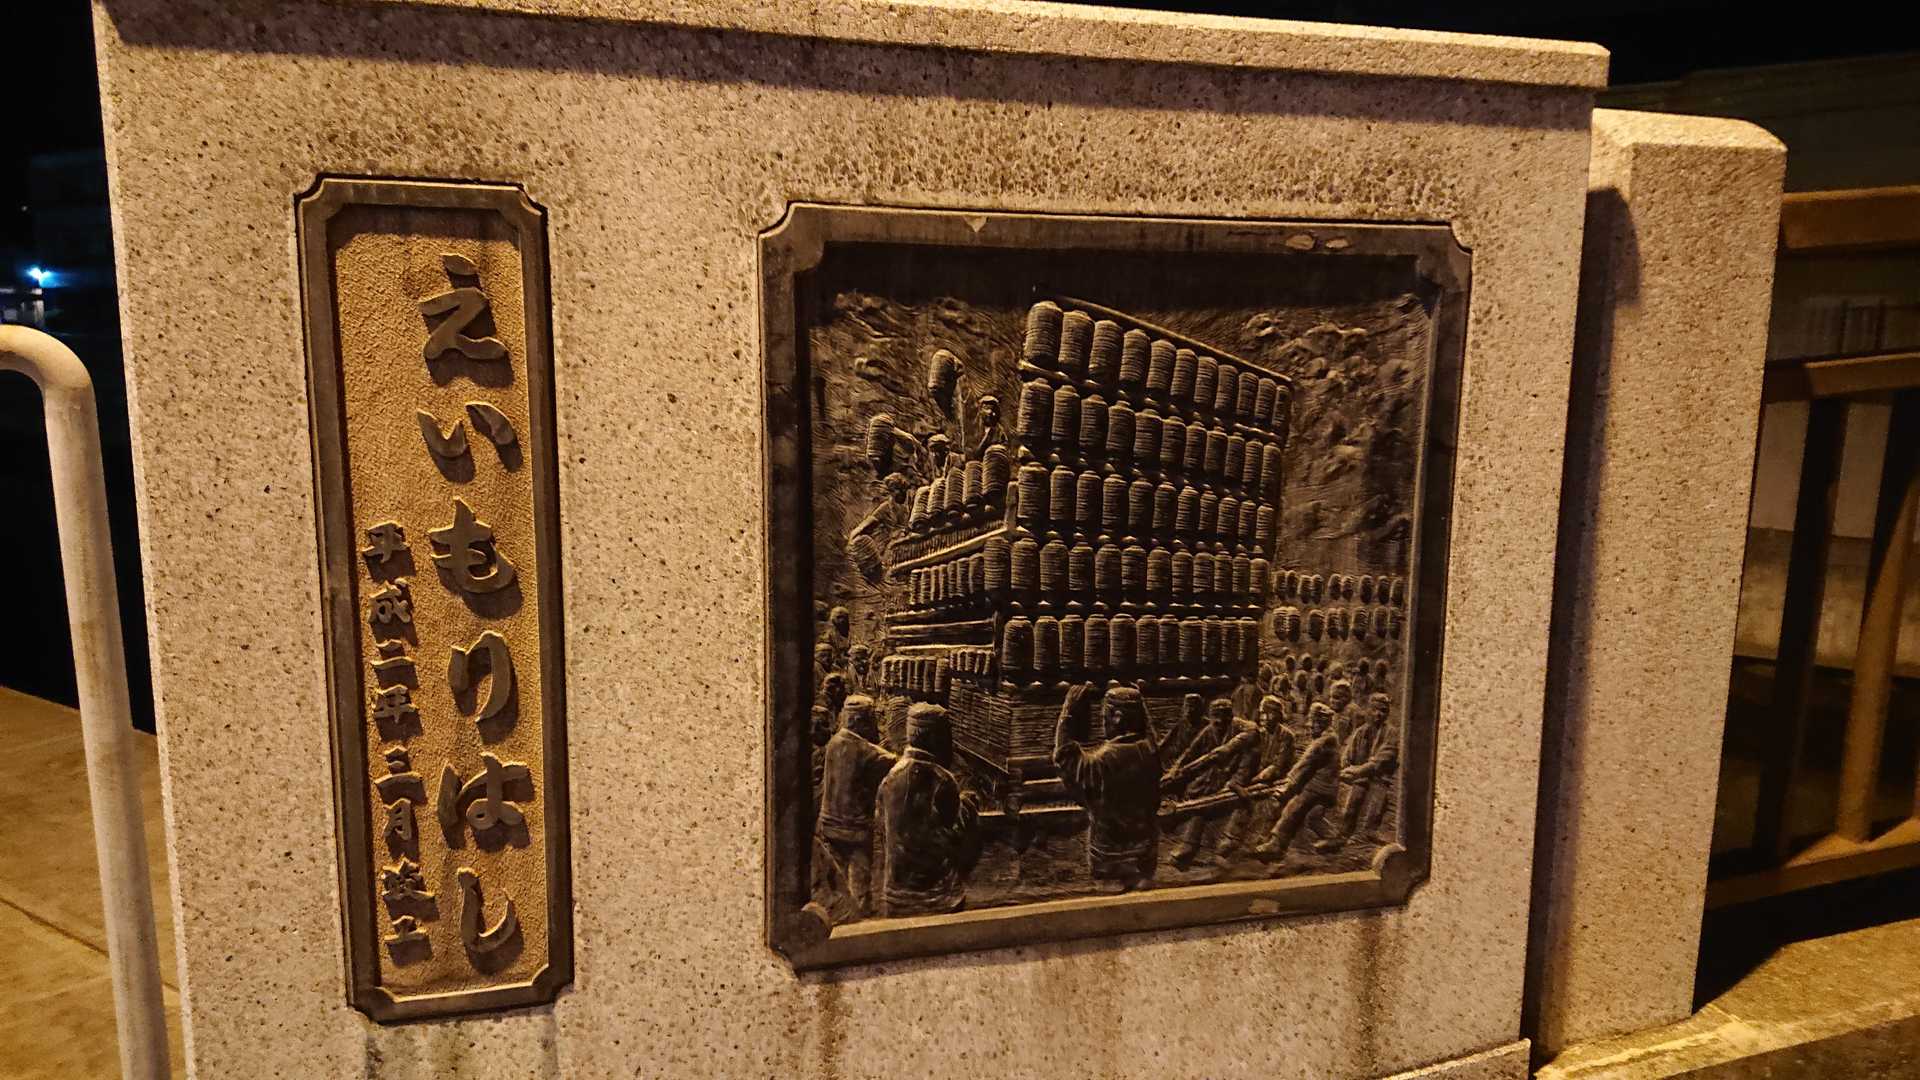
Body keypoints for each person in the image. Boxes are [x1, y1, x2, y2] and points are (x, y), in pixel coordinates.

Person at [1054, 684, 1161, 891]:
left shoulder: (1103, 760)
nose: (1103, 723)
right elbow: (1151, 736)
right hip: (1145, 854)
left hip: (1108, 856)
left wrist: (1067, 714)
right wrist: (1140, 703)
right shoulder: (1149, 752)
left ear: (1117, 718)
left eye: (1104, 717)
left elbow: (1066, 760)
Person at [877, 704, 979, 916]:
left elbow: (882, 828)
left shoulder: (890, 778)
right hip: (935, 897)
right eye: (947, 736)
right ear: (934, 738)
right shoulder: (942, 780)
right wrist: (967, 807)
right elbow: (956, 838)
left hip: (894, 893)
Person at [815, 696, 898, 919]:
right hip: (854, 826)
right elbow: (892, 761)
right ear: (860, 721)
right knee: (860, 874)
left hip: (829, 821)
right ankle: (860, 914)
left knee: (838, 873)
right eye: (870, 719)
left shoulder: (835, 742)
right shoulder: (863, 748)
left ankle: (841, 914)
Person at [1163, 698, 1263, 868]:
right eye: (1215, 717)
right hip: (1219, 775)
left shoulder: (1246, 729)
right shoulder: (1209, 730)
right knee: (1198, 794)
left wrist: (1228, 769)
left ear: (1230, 716)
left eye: (1223, 717)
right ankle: (1189, 844)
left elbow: (1224, 752)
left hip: (1242, 774)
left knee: (1210, 800)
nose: (1219, 722)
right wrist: (1175, 770)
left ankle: (1200, 846)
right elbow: (1191, 752)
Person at [1252, 702, 1342, 863]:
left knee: (1292, 808)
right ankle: (1333, 838)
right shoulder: (1327, 737)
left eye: (1312, 722)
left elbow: (1304, 765)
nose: (1309, 726)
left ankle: (1276, 845)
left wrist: (1287, 788)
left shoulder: (1323, 742)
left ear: (1320, 722)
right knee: (1314, 817)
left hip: (1320, 787)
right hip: (1324, 785)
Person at [1318, 692, 1399, 851]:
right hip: (1361, 778)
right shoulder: (1361, 732)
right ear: (1368, 710)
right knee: (1353, 803)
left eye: (1383, 711)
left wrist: (1357, 771)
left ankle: (1368, 835)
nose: (1378, 714)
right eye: (1375, 709)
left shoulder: (1391, 733)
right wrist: (1345, 769)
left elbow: (1381, 760)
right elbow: (1347, 756)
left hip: (1381, 780)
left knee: (1374, 809)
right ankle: (1342, 836)